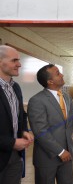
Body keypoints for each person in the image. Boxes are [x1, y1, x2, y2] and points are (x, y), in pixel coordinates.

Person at [27, 64, 73, 184]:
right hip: (47, 158)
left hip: (67, 156)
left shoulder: (66, 97)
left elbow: (72, 120)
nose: (62, 75)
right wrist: (60, 151)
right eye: (57, 73)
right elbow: (40, 131)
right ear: (50, 81)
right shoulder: (37, 101)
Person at [0, 45, 34, 184]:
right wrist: (12, 142)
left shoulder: (16, 87)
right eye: (14, 60)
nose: (19, 64)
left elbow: (21, 114)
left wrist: (24, 130)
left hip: (14, 158)